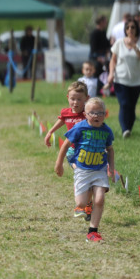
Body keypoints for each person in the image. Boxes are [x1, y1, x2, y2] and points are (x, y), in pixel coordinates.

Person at [55, 97, 115, 243]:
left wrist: (111, 169)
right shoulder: (80, 128)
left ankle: (93, 232)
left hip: (99, 170)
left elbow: (110, 149)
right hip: (82, 170)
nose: (96, 116)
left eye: (100, 113)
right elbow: (66, 145)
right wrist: (59, 163)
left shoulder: (106, 131)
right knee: (81, 203)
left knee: (99, 199)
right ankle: (83, 201)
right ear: (86, 114)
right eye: (92, 113)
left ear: (105, 114)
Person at [44, 81, 92, 219]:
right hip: (72, 151)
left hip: (88, 152)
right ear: (67, 98)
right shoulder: (66, 112)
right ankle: (80, 205)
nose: (75, 102)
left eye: (79, 99)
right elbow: (61, 121)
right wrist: (50, 132)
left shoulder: (88, 114)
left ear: (86, 99)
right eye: (72, 99)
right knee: (80, 173)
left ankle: (88, 204)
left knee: (88, 180)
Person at [104, 19, 140, 138]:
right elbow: (113, 60)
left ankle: (128, 129)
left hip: (137, 80)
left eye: (132, 27)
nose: (130, 30)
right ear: (125, 30)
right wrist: (111, 74)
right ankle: (125, 129)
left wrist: (135, 48)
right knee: (124, 104)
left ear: (136, 29)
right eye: (128, 27)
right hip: (120, 79)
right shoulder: (119, 43)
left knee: (132, 106)